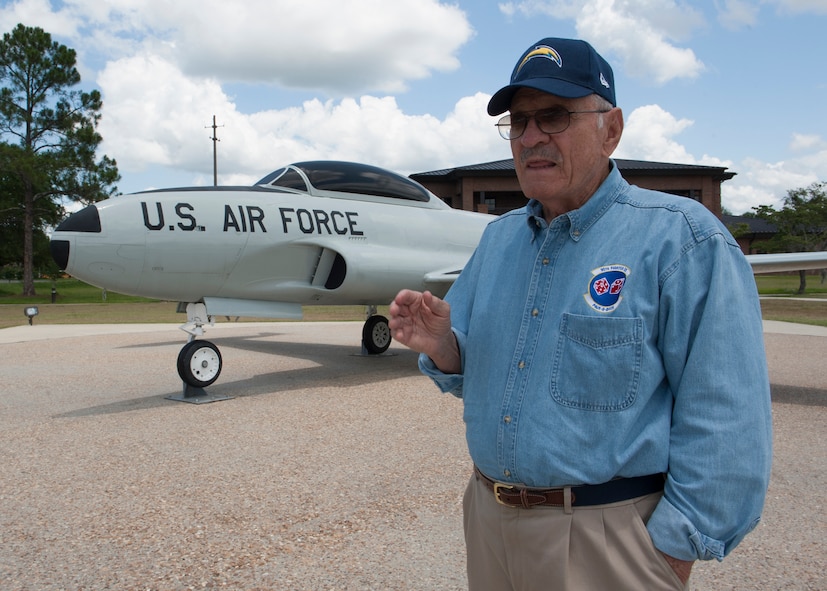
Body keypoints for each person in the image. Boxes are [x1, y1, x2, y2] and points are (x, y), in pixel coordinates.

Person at [389, 37, 772, 591]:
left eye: (554, 116)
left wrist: (671, 551)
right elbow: (479, 369)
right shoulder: (497, 242)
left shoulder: (682, 240)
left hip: (610, 542)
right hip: (490, 523)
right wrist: (444, 348)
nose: (531, 137)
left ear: (611, 129)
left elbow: (727, 416)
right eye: (518, 122)